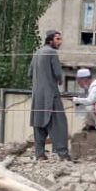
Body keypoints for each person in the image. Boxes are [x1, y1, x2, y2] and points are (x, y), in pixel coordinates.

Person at [28, 30, 71, 161]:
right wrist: (59, 79)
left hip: (37, 95)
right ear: (50, 40)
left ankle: (40, 154)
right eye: (57, 39)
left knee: (39, 123)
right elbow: (58, 74)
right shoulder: (52, 52)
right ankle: (63, 154)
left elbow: (29, 73)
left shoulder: (37, 53)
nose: (60, 42)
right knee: (60, 123)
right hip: (51, 94)